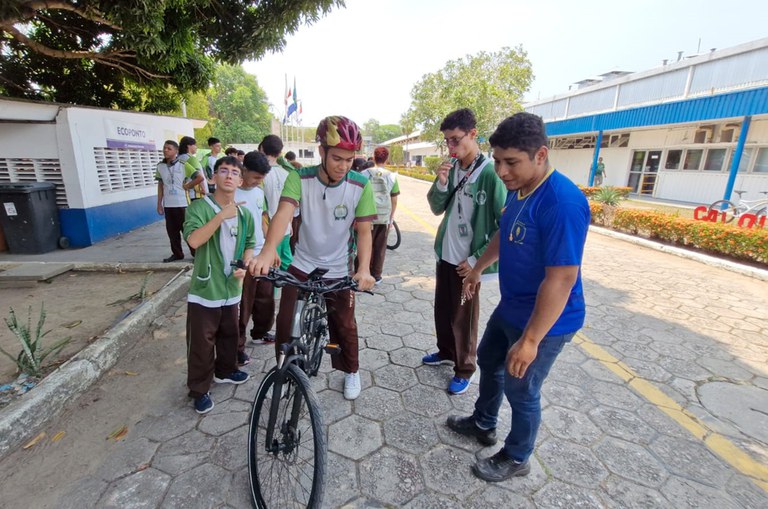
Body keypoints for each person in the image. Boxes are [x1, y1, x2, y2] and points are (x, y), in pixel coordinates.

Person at [448, 112, 590, 482]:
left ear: (540, 155)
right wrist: (478, 268)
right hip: (513, 306)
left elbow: (561, 280)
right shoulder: (518, 190)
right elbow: (504, 232)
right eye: (496, 160)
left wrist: (530, 341)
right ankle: (483, 423)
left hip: (547, 320)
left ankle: (517, 455)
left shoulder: (561, 202)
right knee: (489, 357)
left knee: (522, 386)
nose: (501, 170)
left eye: (511, 162)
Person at [248, 116, 376, 400]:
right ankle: (285, 371)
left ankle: (351, 371)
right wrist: (268, 252)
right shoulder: (299, 177)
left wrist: (364, 269)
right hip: (302, 262)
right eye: (337, 158)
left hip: (339, 267)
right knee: (285, 322)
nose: (343, 166)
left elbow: (365, 232)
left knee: (344, 323)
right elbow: (283, 214)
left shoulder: (359, 185)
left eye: (349, 159)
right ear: (321, 152)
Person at [423, 108, 506, 395]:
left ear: (473, 134)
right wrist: (442, 182)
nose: (451, 146)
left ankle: (465, 367)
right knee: (443, 310)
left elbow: (502, 225)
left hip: (467, 261)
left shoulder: (491, 174)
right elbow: (436, 207)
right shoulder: (454, 167)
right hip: (445, 252)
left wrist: (475, 262)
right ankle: (445, 351)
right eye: (447, 141)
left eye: (456, 139)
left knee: (464, 316)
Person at [183, 156, 256, 414]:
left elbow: (249, 243)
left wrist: (244, 266)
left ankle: (226, 370)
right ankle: (199, 389)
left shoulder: (245, 213)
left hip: (232, 287)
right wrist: (222, 216)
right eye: (223, 171)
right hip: (206, 288)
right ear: (213, 178)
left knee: (230, 333)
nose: (229, 176)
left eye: (235, 172)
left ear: (240, 180)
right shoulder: (199, 208)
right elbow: (194, 240)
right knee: (202, 342)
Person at [237, 151, 277, 349]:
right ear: (244, 170)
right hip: (243, 255)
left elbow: (263, 219)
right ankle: (238, 346)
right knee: (244, 302)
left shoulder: (259, 193)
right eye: (256, 177)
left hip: (262, 253)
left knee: (266, 297)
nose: (258, 182)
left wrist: (272, 248)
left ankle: (260, 332)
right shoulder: (231, 193)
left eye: (262, 178)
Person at [155, 140, 204, 262]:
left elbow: (199, 177)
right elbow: (160, 185)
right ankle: (177, 253)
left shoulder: (183, 165)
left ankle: (196, 254)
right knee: (172, 232)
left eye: (169, 148)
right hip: (168, 205)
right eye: (164, 148)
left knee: (187, 230)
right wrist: (159, 204)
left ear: (176, 151)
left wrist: (188, 186)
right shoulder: (160, 167)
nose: (166, 150)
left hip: (183, 203)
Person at [359, 146, 400, 284]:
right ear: (386, 158)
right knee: (380, 246)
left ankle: (361, 271)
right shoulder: (392, 176)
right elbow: (394, 199)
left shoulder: (364, 174)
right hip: (383, 217)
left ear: (374, 157)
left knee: (363, 243)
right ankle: (376, 275)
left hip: (366, 215)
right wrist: (391, 217)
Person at [260, 134, 294, 270]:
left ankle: (275, 292)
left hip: (267, 229)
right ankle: (295, 290)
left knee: (272, 267)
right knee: (287, 263)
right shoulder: (287, 173)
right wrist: (290, 222)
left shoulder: (259, 175)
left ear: (261, 148)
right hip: (285, 226)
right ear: (280, 153)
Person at [179, 136, 208, 201]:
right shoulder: (191, 158)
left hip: (185, 195)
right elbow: (199, 175)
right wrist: (204, 189)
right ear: (188, 146)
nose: (196, 147)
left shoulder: (178, 158)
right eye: (194, 145)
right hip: (196, 194)